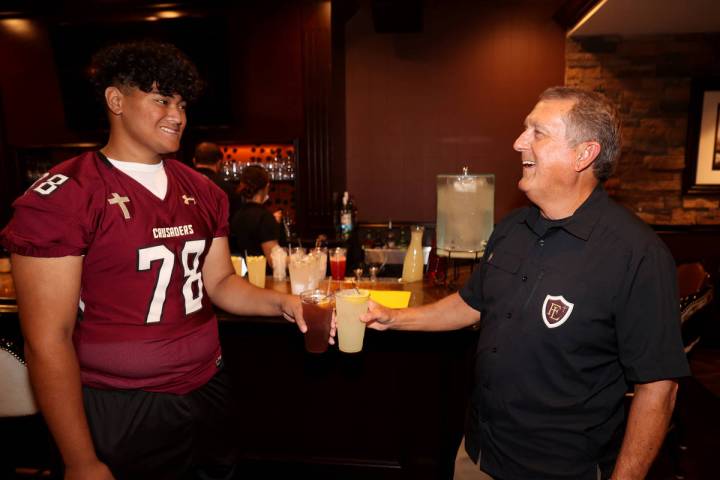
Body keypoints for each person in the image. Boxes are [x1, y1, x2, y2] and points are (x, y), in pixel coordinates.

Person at [0, 40, 321, 480]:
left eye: (182, 102)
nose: (178, 114)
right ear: (116, 100)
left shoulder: (204, 191)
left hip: (208, 388)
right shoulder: (64, 196)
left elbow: (222, 282)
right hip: (121, 404)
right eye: (161, 99)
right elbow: (47, 339)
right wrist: (80, 460)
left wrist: (281, 303)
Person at [363, 87, 690, 480]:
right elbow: (471, 303)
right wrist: (394, 318)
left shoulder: (637, 255)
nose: (519, 143)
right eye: (524, 130)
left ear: (583, 154)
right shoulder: (511, 228)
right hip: (477, 456)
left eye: (537, 132)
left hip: (561, 471)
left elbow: (658, 389)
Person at [230, 164, 282, 268]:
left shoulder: (238, 214)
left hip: (244, 277)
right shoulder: (264, 217)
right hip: (264, 279)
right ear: (266, 186)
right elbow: (275, 261)